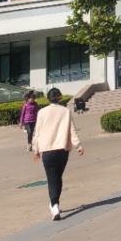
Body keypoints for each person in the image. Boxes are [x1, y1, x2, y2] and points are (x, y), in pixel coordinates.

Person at [32, 87, 84, 220]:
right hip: (62, 149)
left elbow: (37, 133)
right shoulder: (65, 111)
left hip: (47, 150)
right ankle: (55, 204)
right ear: (60, 98)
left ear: (48, 99)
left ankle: (54, 205)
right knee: (58, 177)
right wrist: (78, 145)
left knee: (52, 178)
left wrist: (36, 150)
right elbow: (72, 130)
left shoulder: (42, 112)